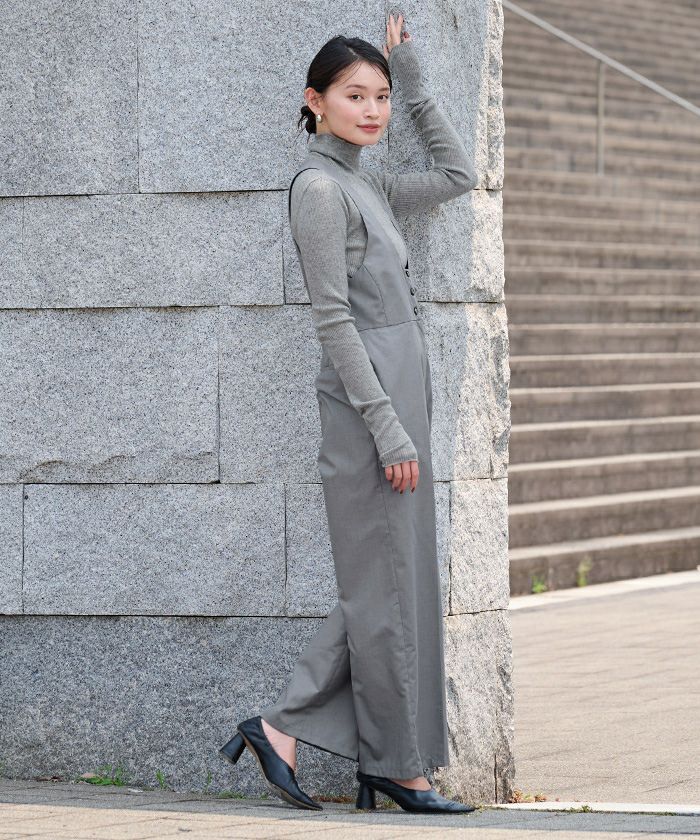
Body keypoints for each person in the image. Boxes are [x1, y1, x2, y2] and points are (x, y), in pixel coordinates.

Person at [220, 12, 477, 815]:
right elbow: (333, 322)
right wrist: (388, 428)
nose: (372, 110)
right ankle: (393, 767)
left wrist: (416, 78)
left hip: (398, 398)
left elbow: (458, 173)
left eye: (381, 96)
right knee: (384, 588)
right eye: (354, 95)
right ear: (315, 101)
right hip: (371, 412)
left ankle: (298, 733)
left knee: (391, 584)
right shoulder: (320, 191)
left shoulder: (372, 185)